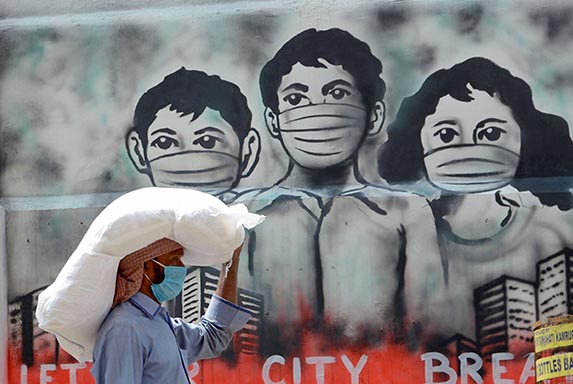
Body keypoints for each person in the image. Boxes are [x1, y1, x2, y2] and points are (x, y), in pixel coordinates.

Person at [241, 28, 450, 347]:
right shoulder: (246, 216)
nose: (317, 112)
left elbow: (427, 326)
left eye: (337, 94)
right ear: (273, 120)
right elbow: (230, 330)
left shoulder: (405, 211)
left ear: (374, 116)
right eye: (296, 99)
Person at [378, 57, 573, 338]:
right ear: (419, 142)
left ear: (524, 139)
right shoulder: (407, 231)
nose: (469, 149)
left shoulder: (542, 237)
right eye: (447, 134)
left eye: (491, 133)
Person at [91, 238, 251, 384]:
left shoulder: (159, 322)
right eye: (174, 260)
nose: (181, 267)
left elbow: (212, 337)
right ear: (148, 266)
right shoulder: (125, 329)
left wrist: (231, 262)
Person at [125, 67, 260, 203]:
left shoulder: (270, 209)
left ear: (248, 151)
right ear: (139, 152)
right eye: (164, 142)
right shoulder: (133, 219)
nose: (187, 164)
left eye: (207, 142)